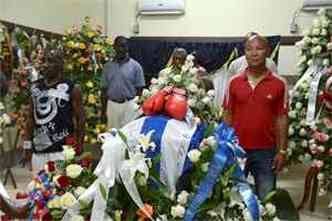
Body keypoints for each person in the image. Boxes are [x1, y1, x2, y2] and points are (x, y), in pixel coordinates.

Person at [223, 34, 289, 200]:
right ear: (244, 53)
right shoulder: (234, 82)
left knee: (266, 199)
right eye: (249, 49)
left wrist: (282, 150)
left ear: (267, 51)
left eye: (259, 48)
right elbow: (227, 114)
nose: (254, 53)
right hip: (237, 150)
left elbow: (282, 118)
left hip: (266, 151)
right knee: (233, 199)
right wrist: (224, 145)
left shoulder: (279, 84)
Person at [23, 49, 85, 175]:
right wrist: (27, 147)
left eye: (50, 61)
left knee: (59, 188)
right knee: (38, 188)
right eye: (44, 61)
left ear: (60, 64)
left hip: (61, 152)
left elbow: (81, 119)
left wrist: (80, 143)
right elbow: (30, 119)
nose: (45, 64)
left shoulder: (72, 88)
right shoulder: (35, 87)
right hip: (39, 150)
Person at [101, 36, 145, 129]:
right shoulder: (107, 67)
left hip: (129, 105)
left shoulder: (136, 66)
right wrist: (103, 111)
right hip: (112, 106)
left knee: (129, 135)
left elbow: (140, 90)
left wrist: (136, 109)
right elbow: (104, 90)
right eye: (118, 46)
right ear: (114, 47)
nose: (120, 49)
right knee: (112, 136)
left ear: (127, 47)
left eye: (123, 46)